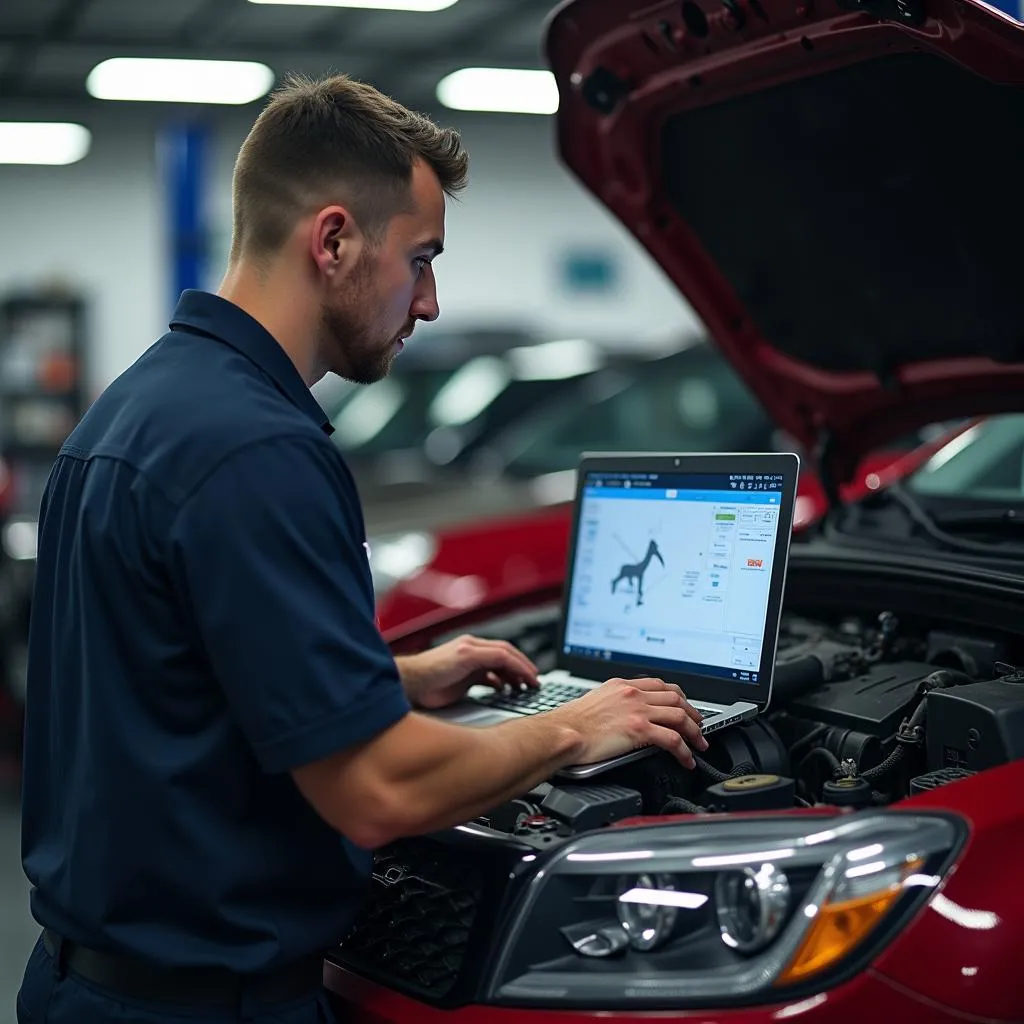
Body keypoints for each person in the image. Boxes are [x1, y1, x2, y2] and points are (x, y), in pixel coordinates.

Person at [16, 73, 708, 1024]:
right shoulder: (258, 451)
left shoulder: (139, 407)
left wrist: (394, 676)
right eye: (420, 258)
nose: (427, 302)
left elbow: (164, 675)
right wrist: (571, 729)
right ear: (333, 239)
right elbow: (376, 792)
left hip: (79, 980)